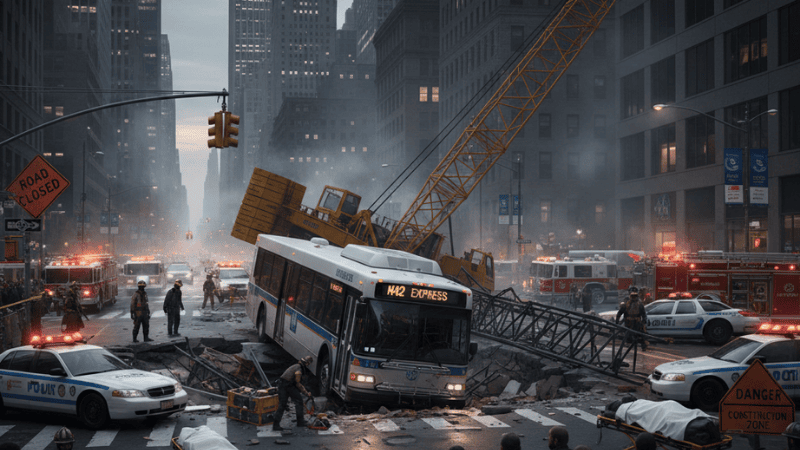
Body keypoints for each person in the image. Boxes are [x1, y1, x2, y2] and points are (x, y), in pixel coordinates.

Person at [273, 355, 314, 431]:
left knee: (282, 405)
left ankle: (275, 425)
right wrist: (306, 393)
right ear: (307, 363)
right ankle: (300, 422)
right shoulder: (299, 369)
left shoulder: (295, 366)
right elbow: (298, 383)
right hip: (288, 386)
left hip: (282, 385)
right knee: (299, 402)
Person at [617, 287, 648, 351]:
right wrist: (617, 321)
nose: (634, 297)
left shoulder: (639, 304)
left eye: (635, 296)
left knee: (642, 334)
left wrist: (643, 321)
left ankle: (643, 346)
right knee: (628, 335)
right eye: (633, 296)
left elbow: (643, 314)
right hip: (629, 323)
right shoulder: (626, 304)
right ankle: (629, 345)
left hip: (637, 322)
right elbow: (619, 313)